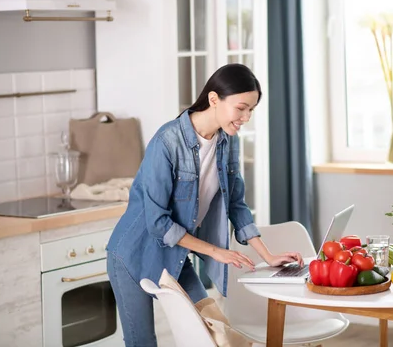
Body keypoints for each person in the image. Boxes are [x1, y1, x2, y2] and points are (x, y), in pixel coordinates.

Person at [106, 63, 303, 347]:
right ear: (214, 99)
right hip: (132, 254)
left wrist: (268, 256)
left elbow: (236, 204)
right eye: (241, 108)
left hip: (174, 255)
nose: (246, 117)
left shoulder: (228, 142)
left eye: (251, 110)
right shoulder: (168, 141)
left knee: (213, 333)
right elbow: (158, 222)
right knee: (142, 343)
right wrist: (217, 252)